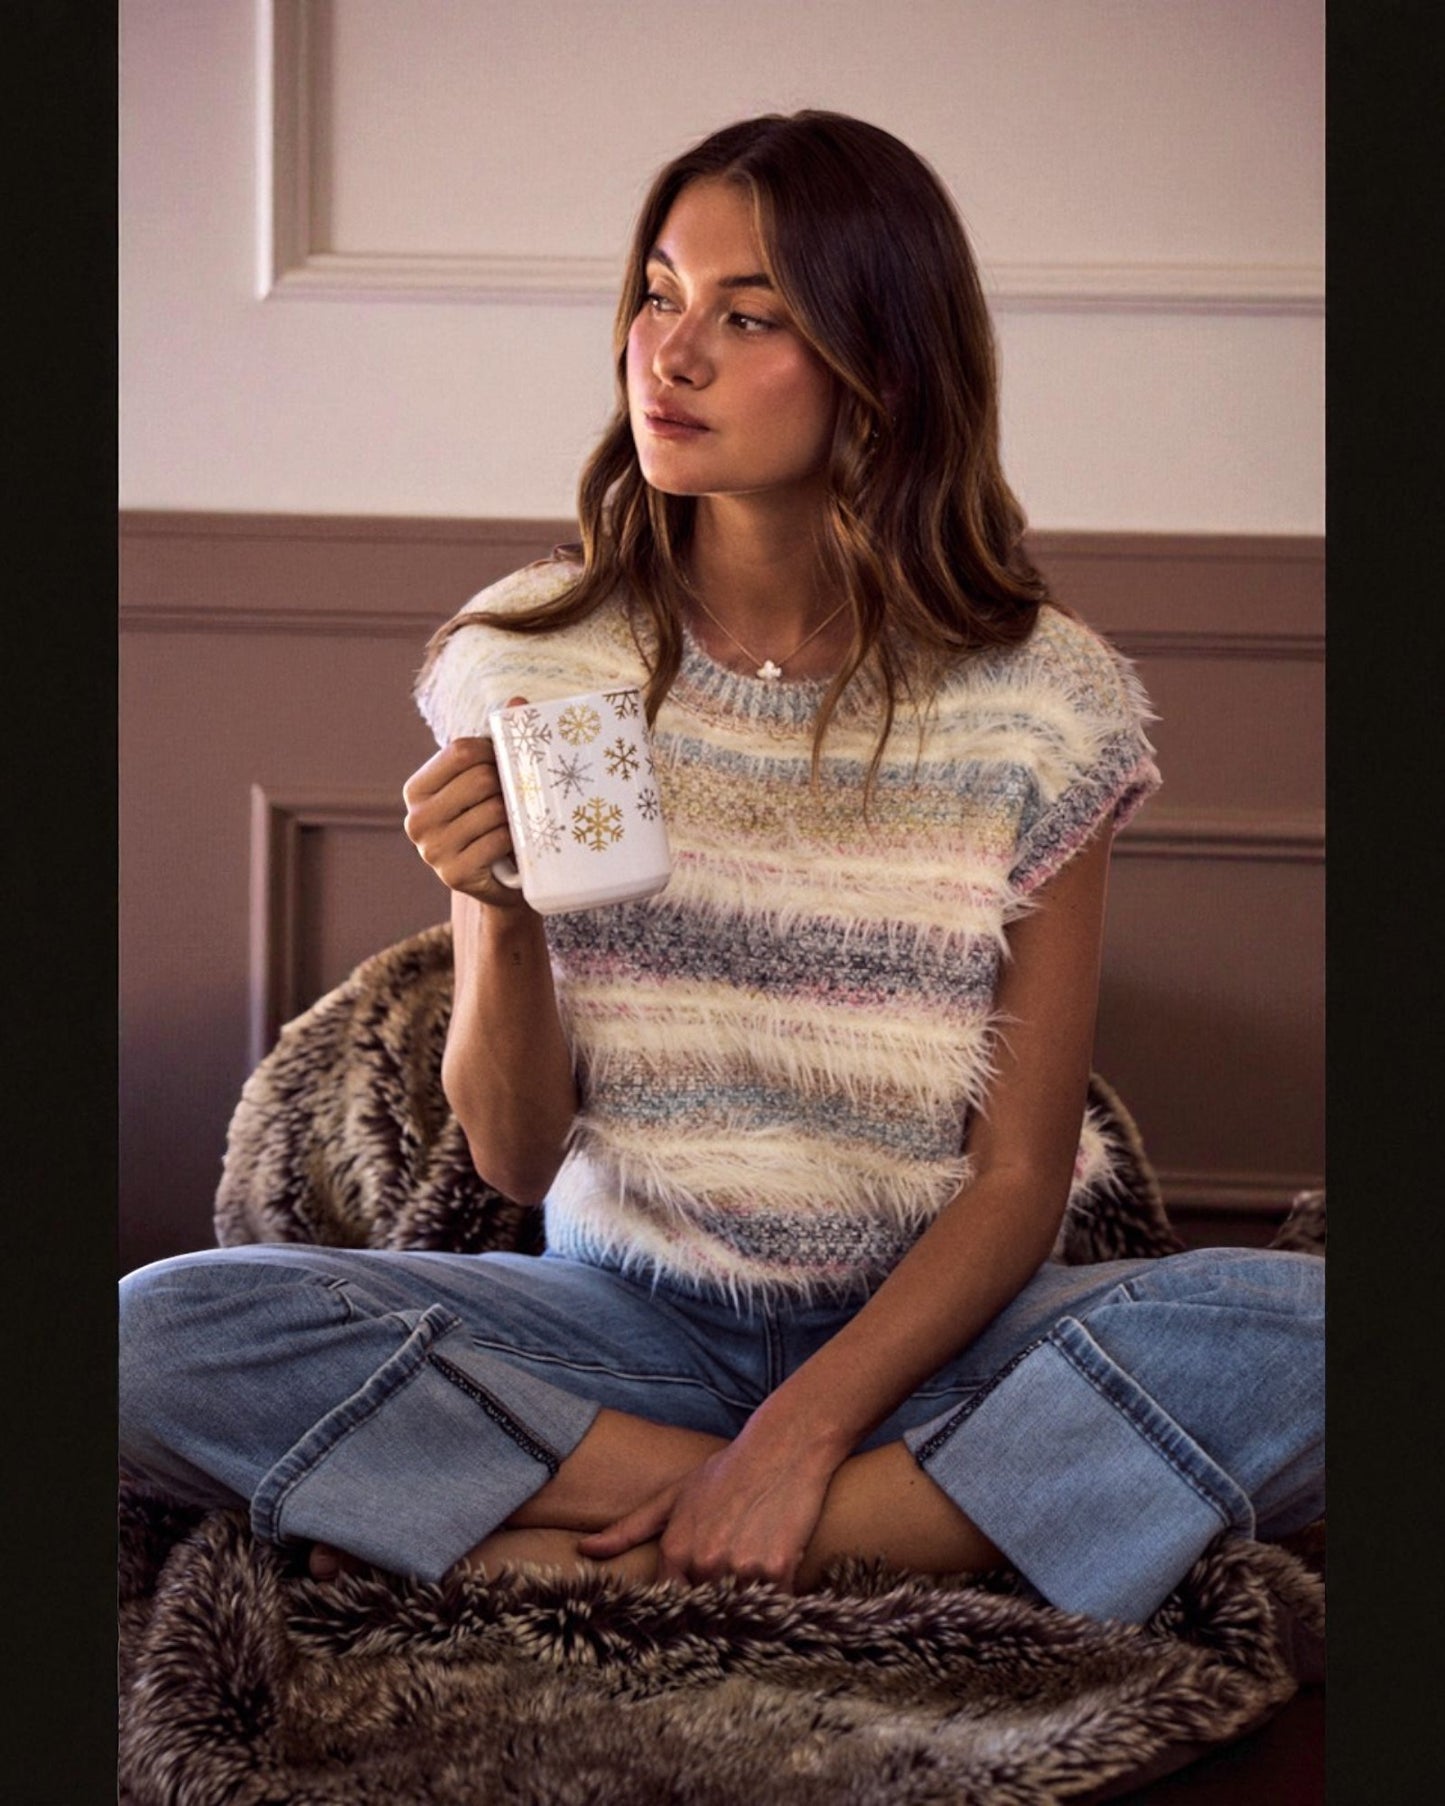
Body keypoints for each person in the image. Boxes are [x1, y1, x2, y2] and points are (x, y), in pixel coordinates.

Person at [119, 110, 1323, 1626]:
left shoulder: (1038, 701)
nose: (667, 352)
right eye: (659, 290)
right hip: (621, 1328)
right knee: (150, 1339)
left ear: (881, 368)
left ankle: (607, 1543)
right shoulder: (537, 655)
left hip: (939, 1331)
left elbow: (1019, 1175)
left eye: (747, 314)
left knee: (1323, 1335)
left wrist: (800, 1432)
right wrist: (488, 913)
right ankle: (918, 1521)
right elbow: (510, 1158)